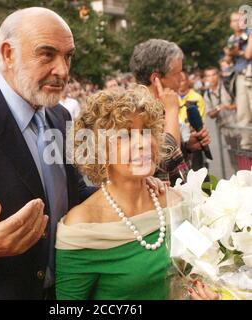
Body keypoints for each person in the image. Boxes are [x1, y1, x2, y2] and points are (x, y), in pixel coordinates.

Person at [0, 7, 95, 300]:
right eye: (47, 54)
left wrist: (129, 190)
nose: (62, 69)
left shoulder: (60, 117)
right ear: (9, 54)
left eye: (68, 56)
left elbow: (71, 194)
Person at [55, 87, 219, 300]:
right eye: (125, 135)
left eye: (146, 131)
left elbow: (204, 266)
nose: (142, 143)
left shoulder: (174, 202)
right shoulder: (82, 225)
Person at [129, 39, 211, 185]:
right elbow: (163, 162)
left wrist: (186, 147)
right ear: (156, 78)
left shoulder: (161, 105)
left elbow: (168, 155)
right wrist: (172, 110)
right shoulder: (136, 112)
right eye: (177, 73)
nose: (181, 79)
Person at [224, 11, 252, 150]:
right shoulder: (231, 39)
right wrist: (229, 54)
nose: (238, 22)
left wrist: (235, 52)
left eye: (240, 20)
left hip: (250, 75)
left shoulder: (250, 32)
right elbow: (228, 60)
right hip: (239, 76)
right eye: (235, 20)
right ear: (231, 23)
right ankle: (246, 145)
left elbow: (248, 54)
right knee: (243, 113)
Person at [204, 66, 238, 170]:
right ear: (206, 78)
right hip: (226, 130)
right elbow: (209, 113)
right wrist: (216, 110)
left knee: (245, 154)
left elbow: (241, 103)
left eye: (214, 74)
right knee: (233, 156)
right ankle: (240, 179)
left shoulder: (227, 86)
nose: (212, 78)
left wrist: (227, 107)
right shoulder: (207, 94)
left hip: (239, 127)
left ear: (218, 75)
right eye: (209, 76)